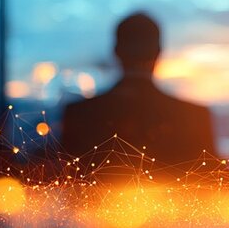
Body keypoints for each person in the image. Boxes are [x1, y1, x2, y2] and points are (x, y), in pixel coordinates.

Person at [61, 13, 216, 169]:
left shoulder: (79, 115)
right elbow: (214, 183)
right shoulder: (194, 117)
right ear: (159, 51)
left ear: (116, 51)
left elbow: (63, 180)